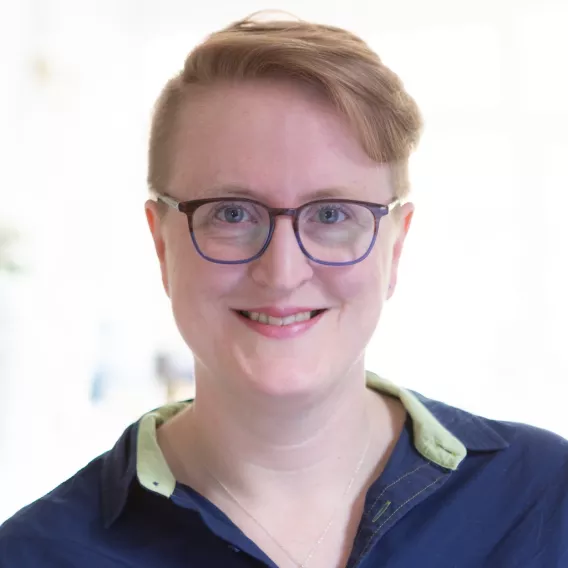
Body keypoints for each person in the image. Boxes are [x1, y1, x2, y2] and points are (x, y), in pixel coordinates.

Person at [1, 12, 567, 568]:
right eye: (230, 212)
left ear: (394, 247)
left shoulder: (545, 499)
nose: (283, 270)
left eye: (330, 213)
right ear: (162, 244)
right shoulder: (35, 554)